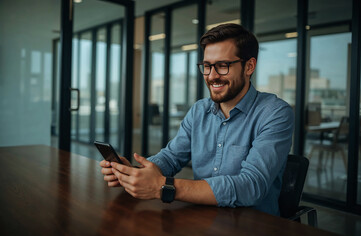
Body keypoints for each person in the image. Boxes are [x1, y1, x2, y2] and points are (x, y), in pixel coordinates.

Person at [100, 23, 294, 216]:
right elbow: (171, 157)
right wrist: (137, 174)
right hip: (202, 219)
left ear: (249, 66)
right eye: (207, 66)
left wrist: (164, 187)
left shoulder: (275, 113)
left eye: (223, 66)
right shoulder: (199, 110)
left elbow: (251, 186)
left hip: (255, 226)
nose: (212, 76)